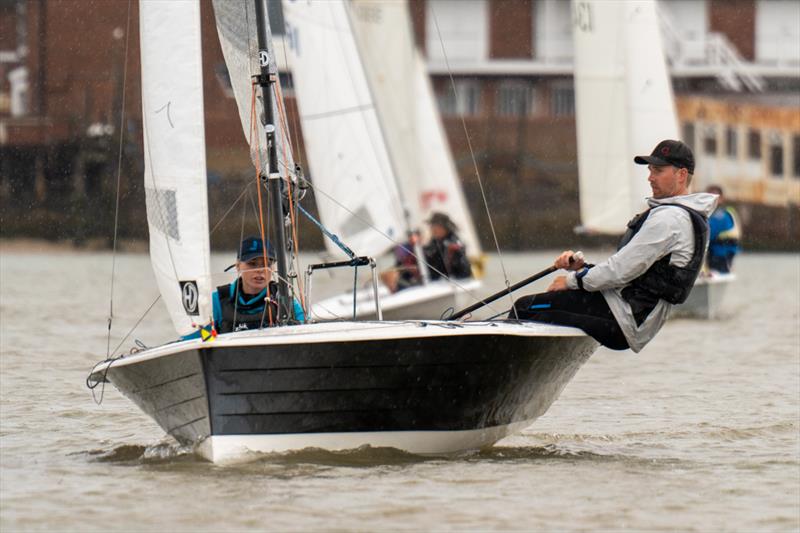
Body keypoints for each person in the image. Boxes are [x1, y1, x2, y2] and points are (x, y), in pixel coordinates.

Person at [511, 140, 717, 353]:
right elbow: (634, 272)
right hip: (622, 310)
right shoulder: (686, 216)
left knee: (524, 308)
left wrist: (572, 281)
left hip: (623, 318)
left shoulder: (670, 219)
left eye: (658, 170)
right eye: (650, 170)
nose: (650, 177)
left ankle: (507, 381)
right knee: (542, 306)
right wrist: (582, 269)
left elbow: (620, 270)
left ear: (681, 175)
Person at [186, 236, 305, 339]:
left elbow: (305, 333)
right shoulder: (217, 301)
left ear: (273, 267)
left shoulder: (284, 300)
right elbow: (194, 340)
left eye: (267, 264)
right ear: (238, 266)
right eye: (252, 263)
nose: (260, 270)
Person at [380, 212, 472, 292]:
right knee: (398, 280)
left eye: (433, 226)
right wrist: (415, 248)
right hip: (437, 281)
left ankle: (398, 284)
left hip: (453, 282)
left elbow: (439, 263)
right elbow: (428, 254)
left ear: (441, 227)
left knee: (404, 284)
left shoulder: (451, 243)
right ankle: (396, 284)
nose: (431, 229)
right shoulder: (436, 241)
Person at [705, 185, 740, 273]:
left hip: (721, 256)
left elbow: (709, 233)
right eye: (708, 196)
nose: (711, 199)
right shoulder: (709, 214)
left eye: (714, 196)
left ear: (721, 198)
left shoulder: (721, 216)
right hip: (711, 255)